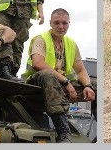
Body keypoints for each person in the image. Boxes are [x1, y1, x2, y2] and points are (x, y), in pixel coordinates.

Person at [23, 8, 96, 143]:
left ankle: (99, 135)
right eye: (57, 23)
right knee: (47, 75)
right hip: (36, 86)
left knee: (96, 86)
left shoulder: (71, 43)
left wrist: (87, 86)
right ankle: (63, 131)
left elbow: (80, 71)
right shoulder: (41, 39)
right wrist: (66, 82)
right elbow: (38, 64)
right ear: (50, 23)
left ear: (69, 24)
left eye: (64, 23)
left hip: (60, 87)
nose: (61, 26)